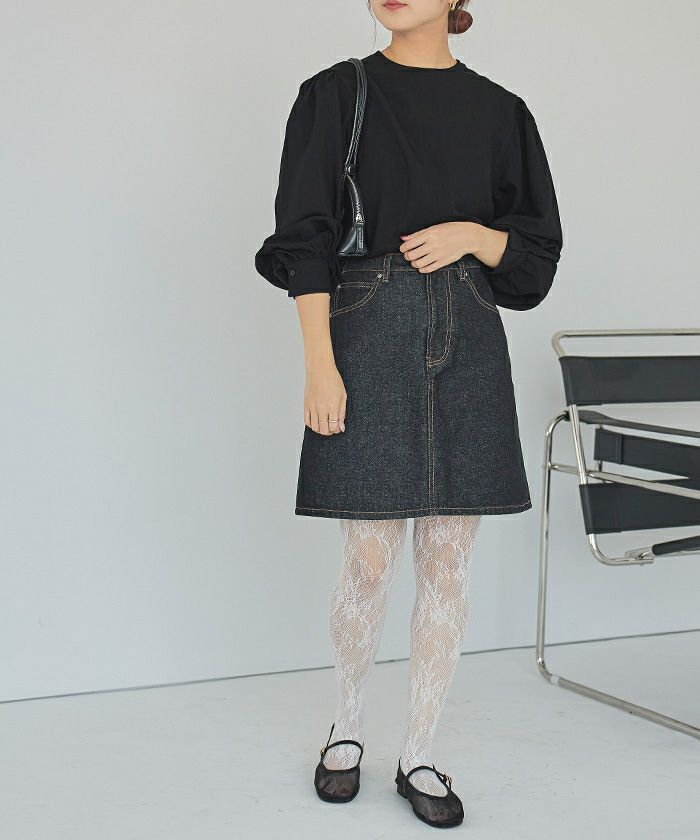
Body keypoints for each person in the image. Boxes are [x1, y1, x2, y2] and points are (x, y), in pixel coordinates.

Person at [254, 0, 562, 828]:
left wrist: (474, 235)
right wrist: (320, 363)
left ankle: (419, 751)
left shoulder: (502, 112)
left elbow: (535, 257)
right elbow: (304, 238)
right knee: (367, 561)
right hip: (366, 331)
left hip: (469, 334)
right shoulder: (335, 94)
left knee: (449, 565)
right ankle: (347, 727)